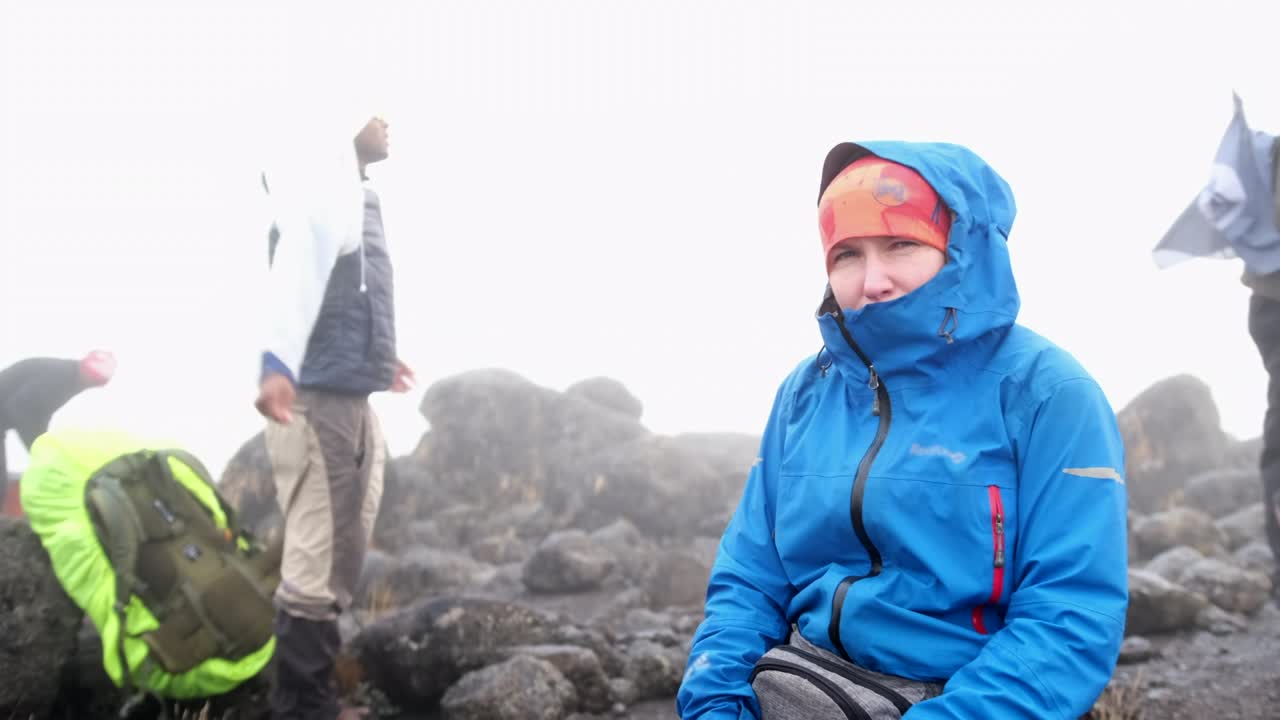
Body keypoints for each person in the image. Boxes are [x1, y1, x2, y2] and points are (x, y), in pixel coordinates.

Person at [676, 142, 1129, 719]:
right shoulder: (806, 391)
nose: (872, 281)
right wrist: (715, 702)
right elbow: (749, 576)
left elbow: (1071, 614)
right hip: (807, 680)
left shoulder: (1048, 393)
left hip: (970, 695)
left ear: (962, 248)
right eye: (846, 255)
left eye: (901, 244)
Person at [255, 113, 414, 720]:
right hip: (318, 402)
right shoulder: (319, 187)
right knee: (317, 559)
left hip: (349, 393)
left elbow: (345, 290)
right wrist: (278, 364)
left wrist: (379, 358)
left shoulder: (347, 191)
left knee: (342, 552)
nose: (384, 123)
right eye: (370, 113)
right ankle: (303, 708)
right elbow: (298, 269)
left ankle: (313, 697)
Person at [0, 350, 115, 512]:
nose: (90, 382)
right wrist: (40, 449)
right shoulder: (59, 376)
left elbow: (40, 413)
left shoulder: (71, 380)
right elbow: (20, 409)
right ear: (84, 366)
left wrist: (46, 446)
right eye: (91, 375)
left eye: (96, 381)